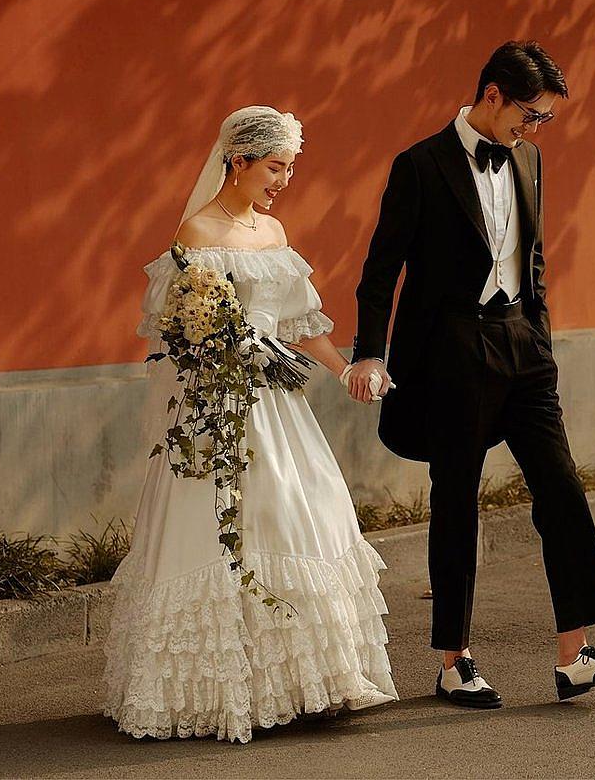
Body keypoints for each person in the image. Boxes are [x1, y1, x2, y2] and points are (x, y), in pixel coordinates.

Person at [346, 42, 595, 708]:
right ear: (492, 95)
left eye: (544, 118)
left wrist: (541, 336)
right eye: (531, 115)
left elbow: (531, 257)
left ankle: (575, 654)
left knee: (562, 488)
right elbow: (381, 269)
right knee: (457, 499)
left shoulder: (529, 158)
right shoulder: (420, 165)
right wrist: (369, 353)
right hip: (452, 350)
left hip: (523, 346)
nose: (536, 128)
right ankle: (453, 661)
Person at [103, 106, 397, 743]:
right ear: (237, 162)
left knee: (305, 506)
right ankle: (219, 693)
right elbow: (178, 329)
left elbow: (301, 323)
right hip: (219, 403)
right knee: (220, 528)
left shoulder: (274, 231)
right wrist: (223, 349)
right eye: (274, 168)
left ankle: (310, 682)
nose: (284, 181)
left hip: (276, 403)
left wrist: (346, 370)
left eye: (289, 168)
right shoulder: (198, 231)